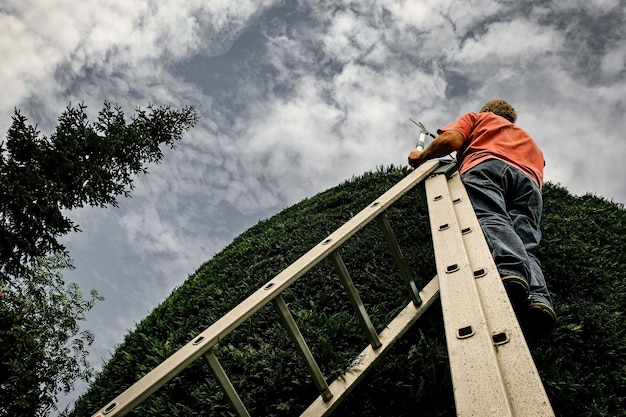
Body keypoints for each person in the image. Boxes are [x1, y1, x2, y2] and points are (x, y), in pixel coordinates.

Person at [408, 99, 556, 341]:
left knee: (491, 215)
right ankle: (539, 300)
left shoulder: (479, 118)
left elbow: (451, 141)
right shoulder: (532, 144)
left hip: (488, 165)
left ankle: (511, 270)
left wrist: (422, 155)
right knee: (527, 244)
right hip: (530, 184)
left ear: (487, 111)